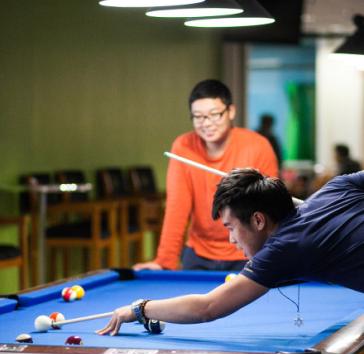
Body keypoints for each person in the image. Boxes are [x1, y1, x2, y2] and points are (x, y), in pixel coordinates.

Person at [97, 168, 364, 336]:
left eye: (231, 228)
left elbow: (207, 308)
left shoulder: (282, 249)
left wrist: (141, 308)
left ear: (259, 220)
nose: (231, 240)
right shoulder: (336, 188)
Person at [134, 79, 278, 272]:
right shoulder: (183, 146)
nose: (207, 123)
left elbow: (270, 210)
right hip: (198, 254)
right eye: (198, 117)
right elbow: (177, 207)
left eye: (215, 115)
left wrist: (271, 256)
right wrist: (164, 261)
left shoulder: (258, 146)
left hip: (248, 253)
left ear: (231, 112)